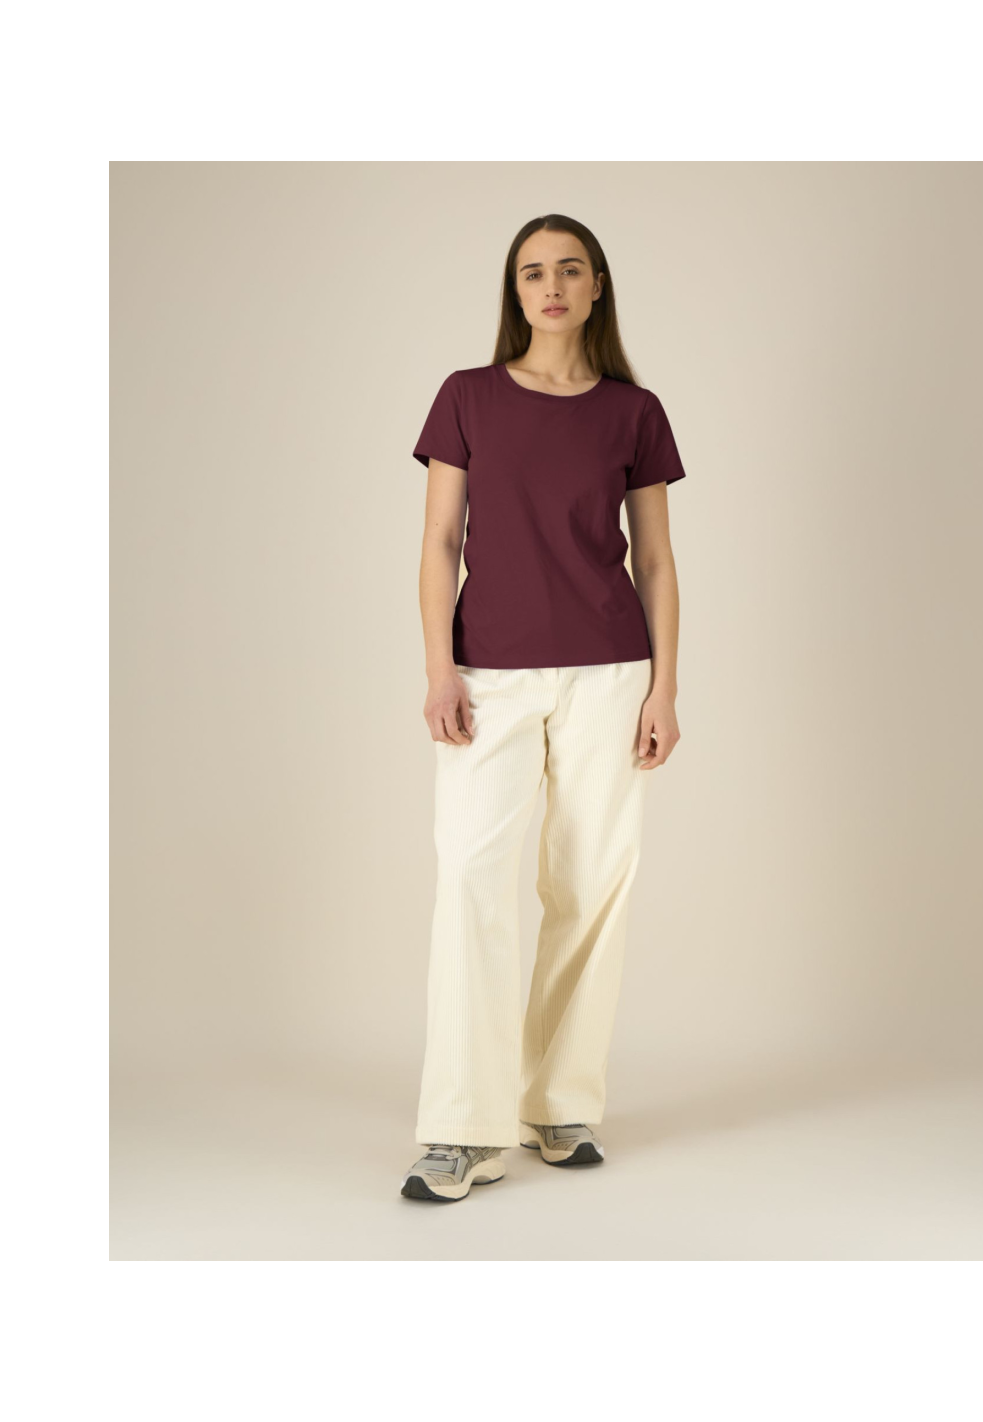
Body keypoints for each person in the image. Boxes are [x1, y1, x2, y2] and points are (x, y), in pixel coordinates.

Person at [401, 214, 686, 1202]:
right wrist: (439, 670)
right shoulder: (467, 397)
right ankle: (460, 1127)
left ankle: (558, 1104)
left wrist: (664, 687)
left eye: (569, 269)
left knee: (591, 882)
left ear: (596, 285)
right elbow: (440, 543)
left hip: (610, 670)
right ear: (513, 290)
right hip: (489, 675)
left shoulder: (633, 411)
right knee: (469, 877)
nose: (551, 286)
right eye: (532, 272)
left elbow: (655, 560)